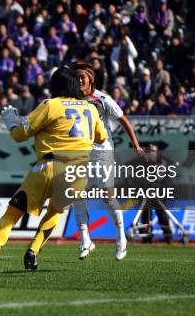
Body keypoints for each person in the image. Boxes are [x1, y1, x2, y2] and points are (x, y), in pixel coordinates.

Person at [0, 67, 107, 276]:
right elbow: (101, 137)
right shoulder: (90, 108)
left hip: (48, 166)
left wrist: (12, 123)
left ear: (56, 85)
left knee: (12, 214)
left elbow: (20, 135)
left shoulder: (50, 105)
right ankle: (33, 250)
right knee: (55, 212)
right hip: (78, 173)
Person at [70, 63, 144, 260]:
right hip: (81, 151)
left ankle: (121, 238)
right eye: (76, 78)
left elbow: (123, 120)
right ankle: (85, 239)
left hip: (103, 151)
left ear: (91, 80)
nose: (78, 81)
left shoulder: (103, 99)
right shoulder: (73, 99)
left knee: (107, 195)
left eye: (82, 78)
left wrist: (136, 145)